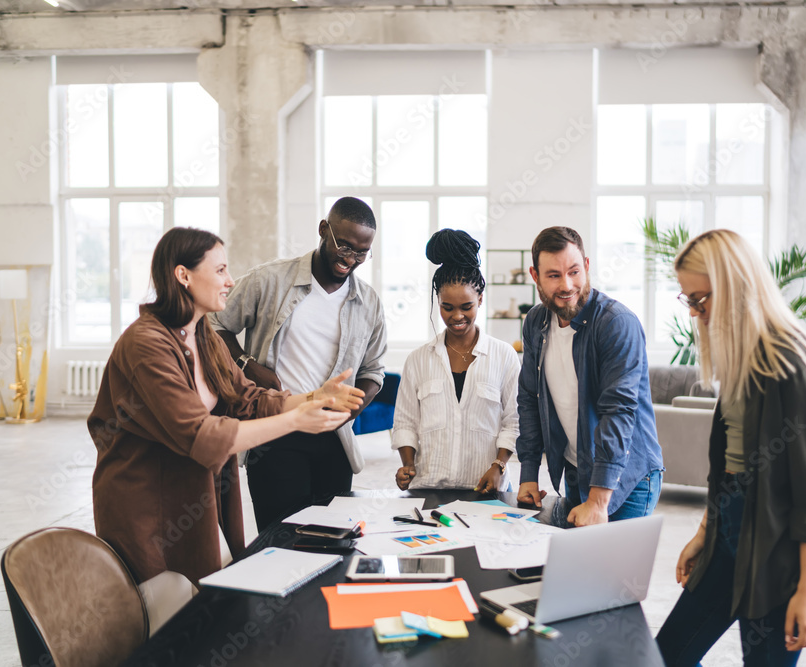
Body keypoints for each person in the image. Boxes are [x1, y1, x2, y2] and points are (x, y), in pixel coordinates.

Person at [89, 227, 363, 586]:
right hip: (146, 505)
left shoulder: (203, 336)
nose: (230, 281)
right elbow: (201, 436)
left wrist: (315, 397)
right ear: (183, 275)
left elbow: (249, 399)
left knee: (204, 601)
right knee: (160, 616)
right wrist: (297, 419)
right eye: (220, 270)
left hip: (194, 496)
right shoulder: (145, 344)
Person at [656, 229, 806, 666]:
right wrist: (706, 533)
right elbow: (730, 466)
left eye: (701, 300)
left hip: (777, 555)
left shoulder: (789, 362)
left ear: (735, 287)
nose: (695, 313)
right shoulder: (741, 353)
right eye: (688, 300)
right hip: (729, 536)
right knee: (666, 656)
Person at [210, 197, 386, 531]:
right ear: (323, 229)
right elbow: (214, 326)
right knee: (281, 539)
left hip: (334, 440)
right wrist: (247, 365)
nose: (351, 259)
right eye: (345, 246)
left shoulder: (368, 302)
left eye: (361, 253)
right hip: (277, 429)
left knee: (332, 540)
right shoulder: (269, 281)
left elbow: (373, 371)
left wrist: (348, 413)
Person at [515, 226, 664, 526]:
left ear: (586, 265)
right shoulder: (535, 323)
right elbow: (529, 399)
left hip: (626, 474)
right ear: (535, 276)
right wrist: (528, 473)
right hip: (577, 467)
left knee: (613, 571)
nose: (567, 285)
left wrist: (597, 501)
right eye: (554, 275)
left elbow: (618, 412)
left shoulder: (616, 324)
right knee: (576, 567)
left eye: (573, 271)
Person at [391, 229, 520, 492]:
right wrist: (407, 465)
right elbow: (405, 422)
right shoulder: (418, 360)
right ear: (437, 301)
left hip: (487, 490)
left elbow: (515, 420)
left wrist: (499, 466)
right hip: (428, 488)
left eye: (467, 307)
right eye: (447, 307)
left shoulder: (504, 355)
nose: (457, 316)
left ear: (480, 300)